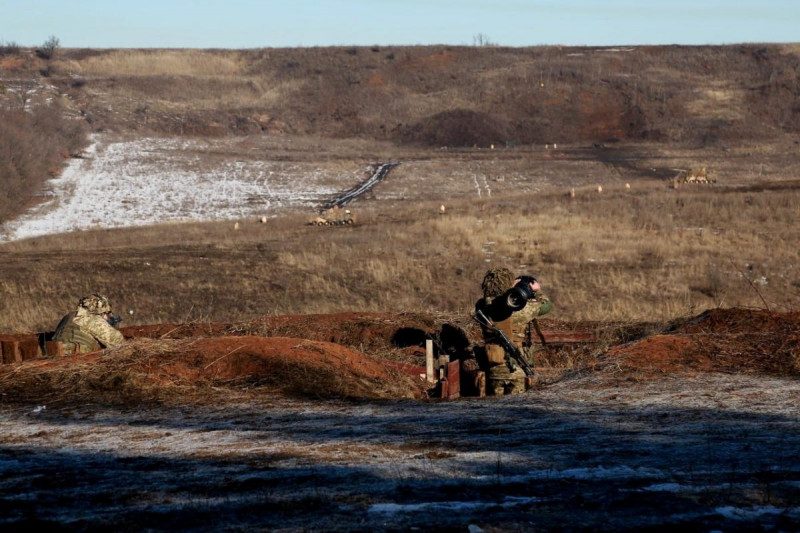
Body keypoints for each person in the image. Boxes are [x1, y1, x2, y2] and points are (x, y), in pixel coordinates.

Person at [474, 267, 553, 395]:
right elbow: (547, 305)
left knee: (495, 410)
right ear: (508, 283)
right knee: (515, 409)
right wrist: (536, 290)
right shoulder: (521, 308)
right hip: (517, 369)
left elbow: (487, 301)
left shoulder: (482, 307)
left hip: (494, 370)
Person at [52, 294, 125, 354]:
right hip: (76, 359)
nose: (108, 316)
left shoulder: (69, 316)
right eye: (107, 313)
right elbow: (119, 342)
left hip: (58, 355)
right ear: (100, 312)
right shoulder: (91, 319)